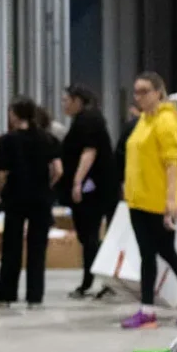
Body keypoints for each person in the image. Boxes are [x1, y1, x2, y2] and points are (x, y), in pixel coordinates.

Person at [121, 72, 177, 329]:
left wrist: (171, 202)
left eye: (144, 91)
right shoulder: (143, 121)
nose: (139, 97)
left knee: (166, 253)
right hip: (138, 200)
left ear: (158, 92)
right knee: (148, 256)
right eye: (136, 92)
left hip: (158, 201)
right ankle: (148, 311)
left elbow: (173, 164)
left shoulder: (166, 121)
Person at [0, 98, 60, 310]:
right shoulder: (47, 138)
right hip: (40, 197)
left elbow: (2, 172)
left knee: (11, 245)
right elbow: (58, 170)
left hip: (15, 197)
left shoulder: (7, 140)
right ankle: (34, 296)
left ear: (14, 114)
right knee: (37, 247)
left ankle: (6, 295)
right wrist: (46, 185)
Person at [59, 85, 116, 299]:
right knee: (88, 236)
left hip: (94, 189)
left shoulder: (88, 120)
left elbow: (89, 152)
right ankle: (94, 280)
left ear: (77, 101)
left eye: (66, 100)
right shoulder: (84, 119)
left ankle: (90, 282)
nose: (64, 104)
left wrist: (77, 182)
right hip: (94, 187)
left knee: (89, 235)